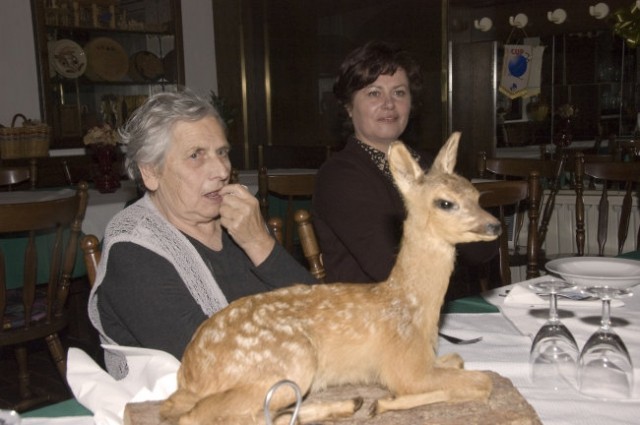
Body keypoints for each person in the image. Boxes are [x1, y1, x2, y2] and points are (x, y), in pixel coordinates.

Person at [88, 90, 315, 379]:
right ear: (151, 173)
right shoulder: (134, 252)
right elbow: (211, 363)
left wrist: (259, 242)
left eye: (222, 152)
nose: (221, 170)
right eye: (196, 155)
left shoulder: (239, 222)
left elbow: (322, 313)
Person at [313, 40, 498, 284]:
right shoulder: (339, 177)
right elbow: (388, 268)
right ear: (349, 106)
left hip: (442, 298)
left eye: (399, 92)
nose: (389, 103)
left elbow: (485, 248)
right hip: (372, 304)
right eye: (374, 93)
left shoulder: (431, 165)